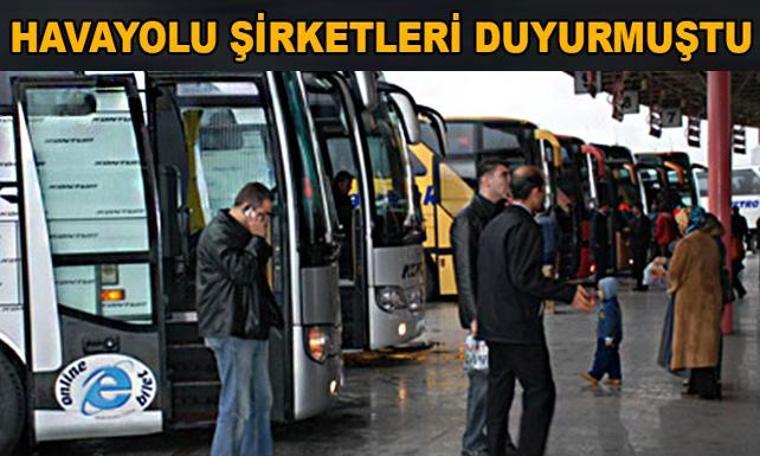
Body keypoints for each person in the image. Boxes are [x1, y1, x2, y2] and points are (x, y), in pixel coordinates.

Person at [477, 165, 594, 456]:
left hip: (493, 326)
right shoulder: (526, 226)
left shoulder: (494, 225)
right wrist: (568, 292)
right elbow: (525, 278)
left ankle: (494, 451)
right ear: (535, 192)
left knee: (498, 395)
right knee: (540, 392)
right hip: (519, 327)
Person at [196, 182, 285, 456]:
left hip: (251, 326)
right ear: (247, 209)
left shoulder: (242, 234)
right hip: (231, 328)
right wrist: (257, 240)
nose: (265, 222)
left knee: (261, 400)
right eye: (263, 214)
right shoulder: (219, 234)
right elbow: (241, 272)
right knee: (237, 406)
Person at [451, 158, 513, 456]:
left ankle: (498, 439)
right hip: (484, 317)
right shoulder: (467, 220)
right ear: (486, 180)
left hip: (504, 313)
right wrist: (474, 316)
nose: (508, 180)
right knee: (483, 381)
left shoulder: (503, 215)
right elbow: (464, 273)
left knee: (500, 381)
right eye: (503, 175)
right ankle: (474, 444)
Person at [659, 206, 722, 400]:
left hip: (690, 301)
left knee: (692, 343)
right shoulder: (710, 242)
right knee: (705, 346)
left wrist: (669, 281)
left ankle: (703, 388)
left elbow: (675, 272)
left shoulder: (686, 243)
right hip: (710, 298)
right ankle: (700, 384)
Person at [581, 277, 623, 387]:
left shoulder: (609, 307)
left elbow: (610, 323)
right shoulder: (611, 304)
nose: (598, 293)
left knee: (602, 356)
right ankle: (615, 376)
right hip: (611, 335)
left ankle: (595, 374)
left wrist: (608, 336)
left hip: (606, 336)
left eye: (600, 290)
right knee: (612, 356)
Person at [536, 206, 560, 314]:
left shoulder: (536, 222)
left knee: (542, 278)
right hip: (552, 251)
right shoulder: (552, 222)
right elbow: (558, 236)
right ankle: (551, 305)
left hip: (541, 252)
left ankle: (545, 304)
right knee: (550, 278)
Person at [629, 203, 652, 291]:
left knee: (641, 264)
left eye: (634, 208)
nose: (633, 210)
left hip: (642, 245)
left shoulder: (645, 220)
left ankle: (643, 283)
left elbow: (646, 232)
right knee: (637, 265)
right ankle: (639, 283)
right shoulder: (633, 220)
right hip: (635, 245)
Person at [731, 206, 748, 299]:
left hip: (734, 248)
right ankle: (739, 291)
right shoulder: (741, 219)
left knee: (731, 274)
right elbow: (745, 230)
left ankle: (738, 291)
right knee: (732, 273)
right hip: (738, 245)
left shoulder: (731, 219)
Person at [591, 201, 611, 278]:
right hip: (599, 243)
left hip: (603, 242)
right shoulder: (597, 217)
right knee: (600, 262)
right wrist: (596, 242)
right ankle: (600, 278)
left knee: (603, 261)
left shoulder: (603, 216)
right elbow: (595, 230)